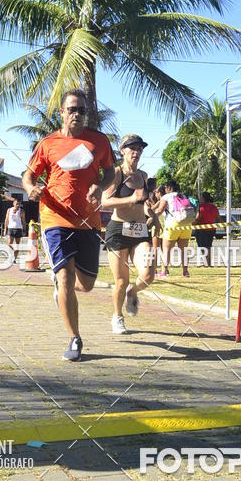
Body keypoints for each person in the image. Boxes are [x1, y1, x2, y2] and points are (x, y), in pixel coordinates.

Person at [22, 89, 115, 362]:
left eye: (82, 110)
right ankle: (74, 338)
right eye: (72, 109)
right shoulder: (48, 143)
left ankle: (63, 291)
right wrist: (30, 189)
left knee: (86, 284)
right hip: (55, 217)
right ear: (61, 112)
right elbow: (28, 176)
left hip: (88, 221)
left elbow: (111, 172)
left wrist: (100, 186)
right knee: (65, 276)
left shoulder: (99, 141)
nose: (77, 114)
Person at [101, 134, 154, 334]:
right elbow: (105, 201)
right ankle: (117, 317)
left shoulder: (144, 176)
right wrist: (130, 199)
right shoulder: (116, 174)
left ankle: (133, 292)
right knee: (121, 281)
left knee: (148, 274)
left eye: (140, 149)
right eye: (132, 148)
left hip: (140, 231)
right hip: (118, 231)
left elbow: (144, 202)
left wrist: (152, 215)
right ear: (122, 151)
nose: (136, 152)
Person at [154, 180, 196, 277]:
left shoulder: (166, 197)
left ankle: (164, 271)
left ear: (169, 188)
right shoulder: (183, 196)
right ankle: (185, 271)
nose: (165, 189)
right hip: (186, 224)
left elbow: (160, 211)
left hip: (173, 224)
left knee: (166, 249)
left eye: (166, 187)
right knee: (184, 250)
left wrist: (151, 216)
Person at [193, 192, 220, 266]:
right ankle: (209, 263)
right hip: (211, 229)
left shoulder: (201, 207)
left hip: (201, 230)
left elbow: (197, 218)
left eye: (201, 198)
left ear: (204, 199)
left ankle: (206, 263)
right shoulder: (214, 207)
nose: (200, 199)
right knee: (208, 246)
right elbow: (219, 217)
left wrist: (192, 224)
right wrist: (225, 227)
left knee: (202, 247)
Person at [4, 198, 26, 262]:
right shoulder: (9, 210)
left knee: (17, 245)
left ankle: (14, 259)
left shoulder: (21, 211)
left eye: (19, 204)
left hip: (18, 229)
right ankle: (10, 256)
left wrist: (24, 230)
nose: (18, 205)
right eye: (16, 204)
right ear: (13, 204)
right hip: (10, 228)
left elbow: (23, 221)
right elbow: (6, 220)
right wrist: (5, 229)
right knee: (9, 244)